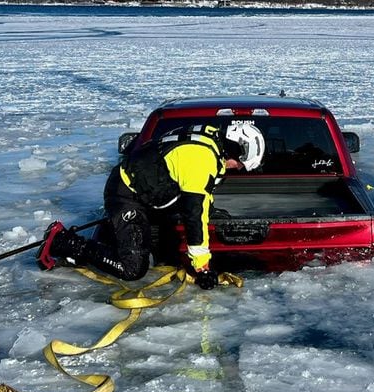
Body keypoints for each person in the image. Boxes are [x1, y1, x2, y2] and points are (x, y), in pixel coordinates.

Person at [37, 122, 266, 289]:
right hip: (127, 194)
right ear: (236, 150)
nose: (237, 168)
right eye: (240, 164)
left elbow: (201, 200)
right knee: (132, 269)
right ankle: (65, 242)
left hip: (154, 194)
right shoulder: (201, 159)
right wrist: (202, 266)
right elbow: (193, 212)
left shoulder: (210, 144)